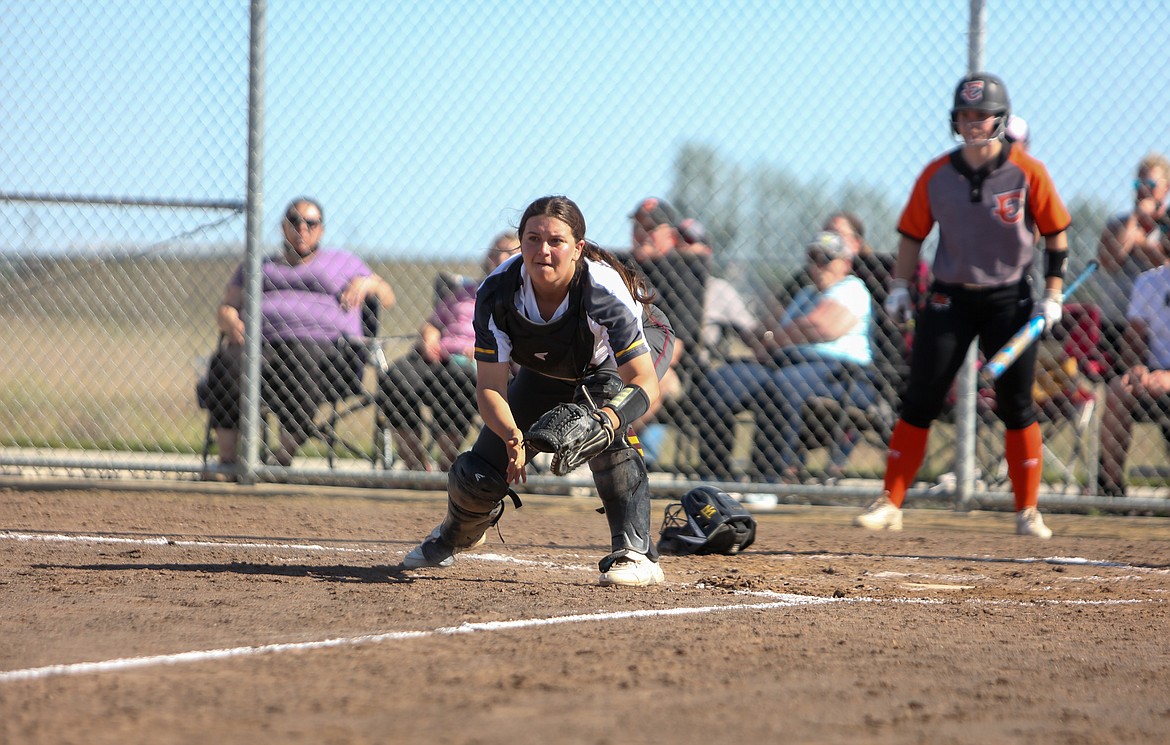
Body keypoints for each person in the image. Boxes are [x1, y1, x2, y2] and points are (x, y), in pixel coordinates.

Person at [402, 195, 676, 587]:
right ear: (520, 242)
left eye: (556, 241)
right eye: (532, 239)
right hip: (549, 367)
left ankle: (637, 552)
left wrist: (608, 419)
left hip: (614, 359)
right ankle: (454, 533)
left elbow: (642, 381)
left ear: (578, 248)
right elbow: (491, 388)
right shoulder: (498, 293)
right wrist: (512, 435)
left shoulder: (601, 290)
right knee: (476, 475)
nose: (543, 251)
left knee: (598, 429)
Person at [853, 72, 1070, 538]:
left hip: (1009, 298)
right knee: (920, 400)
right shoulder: (937, 174)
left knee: (1016, 404)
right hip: (950, 297)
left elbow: (1056, 232)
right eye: (966, 115)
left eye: (983, 115)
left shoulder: (1029, 172)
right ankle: (891, 502)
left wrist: (1053, 293)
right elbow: (912, 234)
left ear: (1000, 119)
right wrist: (899, 286)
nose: (974, 123)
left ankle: (1027, 509)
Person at [204, 197, 396, 470]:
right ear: (283, 227)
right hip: (261, 345)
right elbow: (228, 305)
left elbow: (388, 296)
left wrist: (368, 283)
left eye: (311, 222)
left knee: (300, 357)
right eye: (295, 221)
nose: (302, 228)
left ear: (321, 229)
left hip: (327, 351)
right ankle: (228, 462)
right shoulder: (258, 266)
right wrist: (228, 318)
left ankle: (281, 458)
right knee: (227, 362)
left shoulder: (344, 262)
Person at [700, 231, 875, 482]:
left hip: (841, 372)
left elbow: (822, 328)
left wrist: (776, 337)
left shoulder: (852, 288)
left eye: (826, 258)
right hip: (786, 363)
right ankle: (714, 478)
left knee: (783, 385)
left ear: (846, 263)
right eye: (813, 258)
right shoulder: (805, 293)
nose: (818, 265)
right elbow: (778, 330)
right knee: (721, 382)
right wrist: (777, 336)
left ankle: (766, 481)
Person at [379, 231, 519, 471]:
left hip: (482, 364)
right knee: (396, 378)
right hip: (437, 356)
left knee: (456, 378)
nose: (499, 257)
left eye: (508, 252)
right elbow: (434, 322)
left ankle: (447, 465)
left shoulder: (520, 299)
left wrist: (486, 352)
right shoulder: (465, 291)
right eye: (496, 252)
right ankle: (416, 465)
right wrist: (429, 335)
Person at [1086, 153, 1170, 377]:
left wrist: (1142, 240)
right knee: (1114, 380)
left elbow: (1164, 263)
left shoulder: (1166, 228)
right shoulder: (1118, 225)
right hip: (1117, 321)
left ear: (1166, 187)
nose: (1143, 189)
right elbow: (1111, 261)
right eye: (1138, 183)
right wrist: (1135, 219)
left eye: (1150, 183)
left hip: (1155, 328)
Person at [1097, 260, 1170, 497]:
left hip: (1166, 377)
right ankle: (1113, 490)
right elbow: (1133, 338)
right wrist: (1136, 367)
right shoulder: (1149, 280)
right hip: (1153, 375)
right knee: (1118, 389)